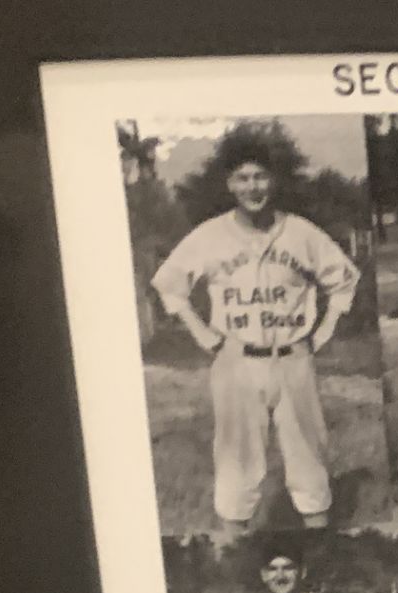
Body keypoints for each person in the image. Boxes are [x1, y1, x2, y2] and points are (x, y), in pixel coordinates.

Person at [150, 132, 360, 537]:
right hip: (237, 362)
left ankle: (322, 552)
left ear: (274, 180)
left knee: (310, 463)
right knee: (236, 466)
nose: (253, 187)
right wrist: (204, 335)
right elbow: (169, 285)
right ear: (230, 184)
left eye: (261, 177)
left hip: (293, 359)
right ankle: (234, 558)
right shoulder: (210, 235)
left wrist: (322, 333)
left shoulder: (301, 233)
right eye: (243, 178)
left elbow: (343, 280)